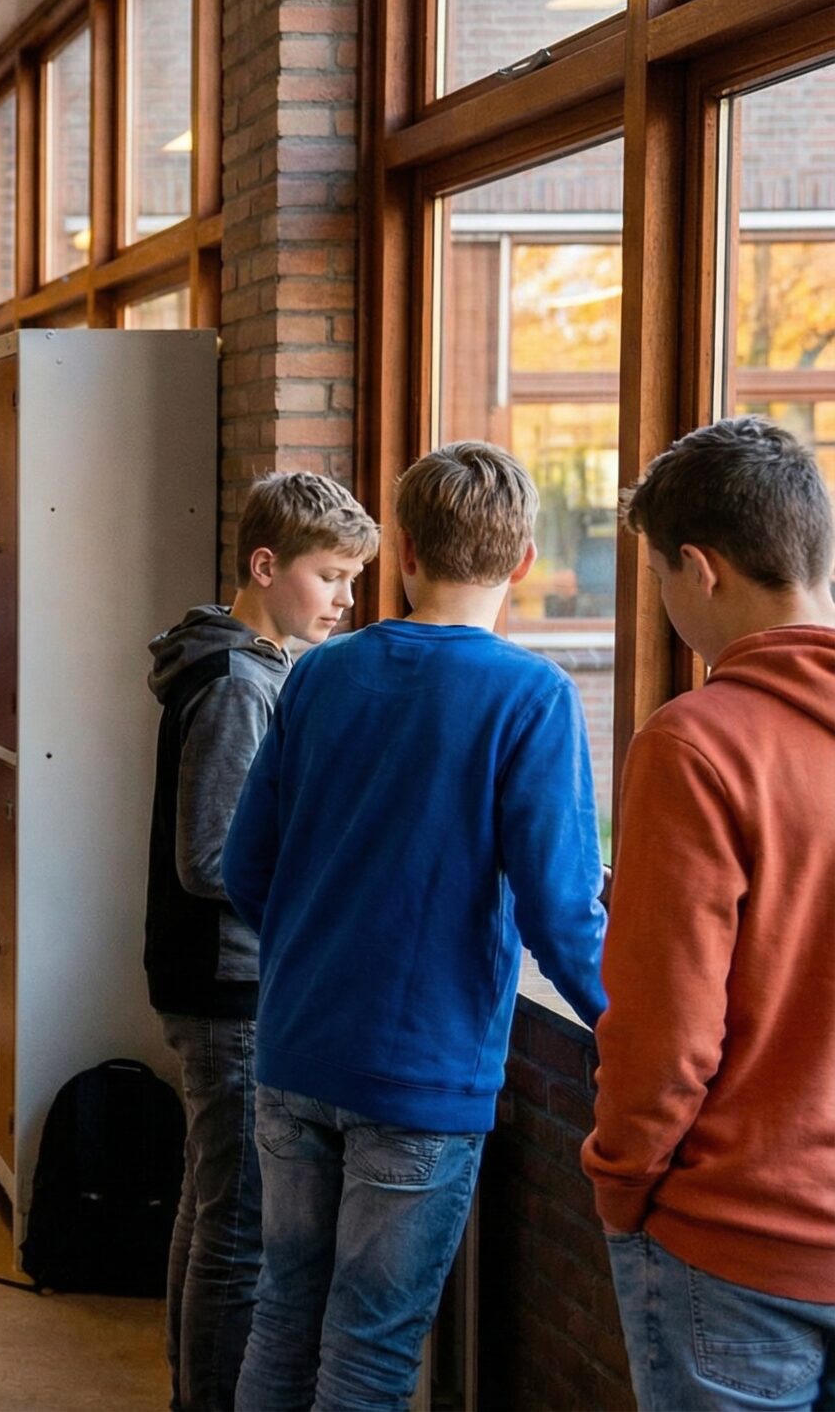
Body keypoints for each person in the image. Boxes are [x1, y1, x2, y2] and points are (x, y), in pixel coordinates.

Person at [223, 442, 607, 1412]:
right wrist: (628, 1024)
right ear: (524, 561)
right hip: (421, 1072)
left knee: (282, 1315)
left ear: (403, 549)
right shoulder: (530, 696)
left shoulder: (318, 675)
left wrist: (315, 947)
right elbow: (562, 912)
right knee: (369, 1351)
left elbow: (245, 865)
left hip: (295, 1048)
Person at [583, 417, 835, 1410]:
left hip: (735, 1242)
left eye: (657, 575)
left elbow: (667, 1029)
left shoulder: (696, 745)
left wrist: (619, 1182)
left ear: (698, 568)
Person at [144, 472, 376, 1412]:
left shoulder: (250, 664)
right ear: (267, 565)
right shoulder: (242, 684)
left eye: (354, 579)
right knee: (237, 1232)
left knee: (209, 1209)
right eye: (331, 576)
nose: (345, 599)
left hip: (216, 978)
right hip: (229, 984)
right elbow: (210, 857)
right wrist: (322, 900)